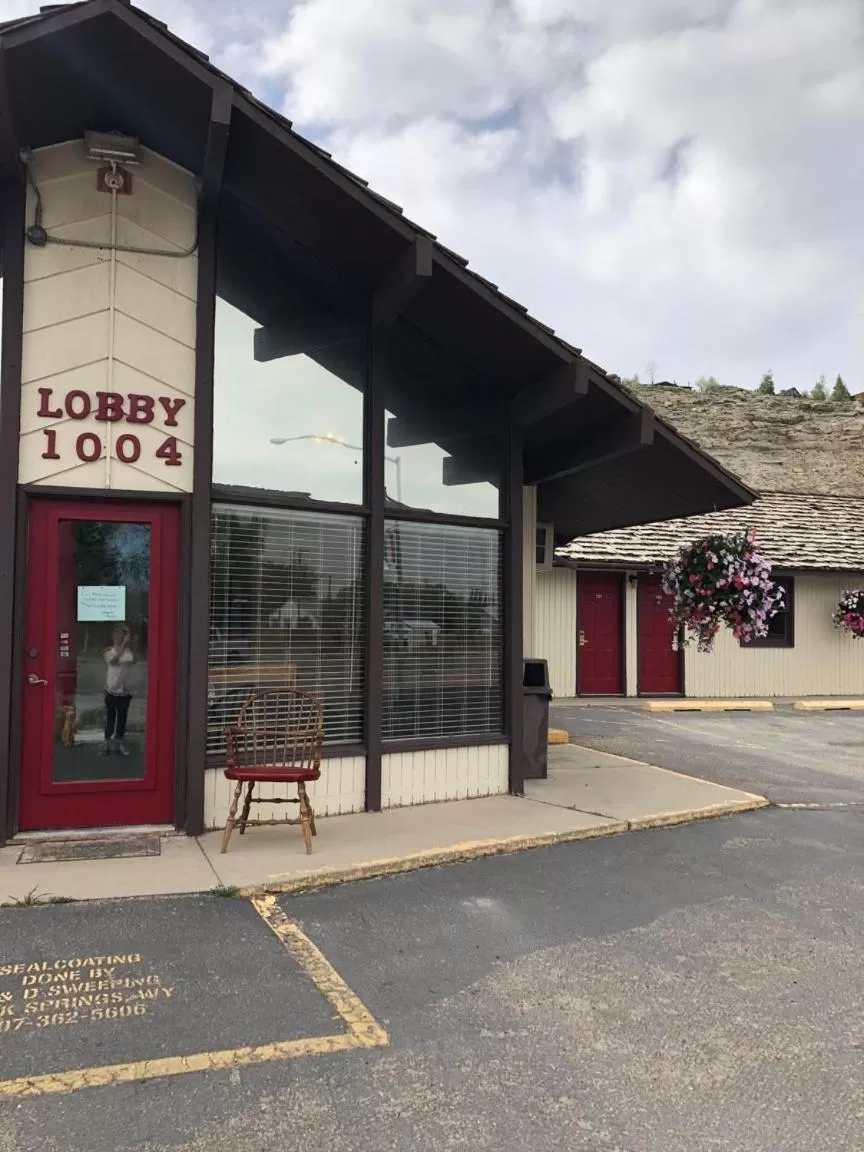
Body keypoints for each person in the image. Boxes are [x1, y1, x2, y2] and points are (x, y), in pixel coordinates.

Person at [101, 625, 135, 756]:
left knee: (122, 718)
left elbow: (134, 661)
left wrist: (133, 644)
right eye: (121, 634)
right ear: (115, 636)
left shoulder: (128, 651)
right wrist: (123, 645)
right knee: (110, 717)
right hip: (112, 688)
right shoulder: (109, 650)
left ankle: (120, 743)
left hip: (125, 689)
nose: (123, 637)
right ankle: (107, 744)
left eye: (125, 634)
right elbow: (114, 661)